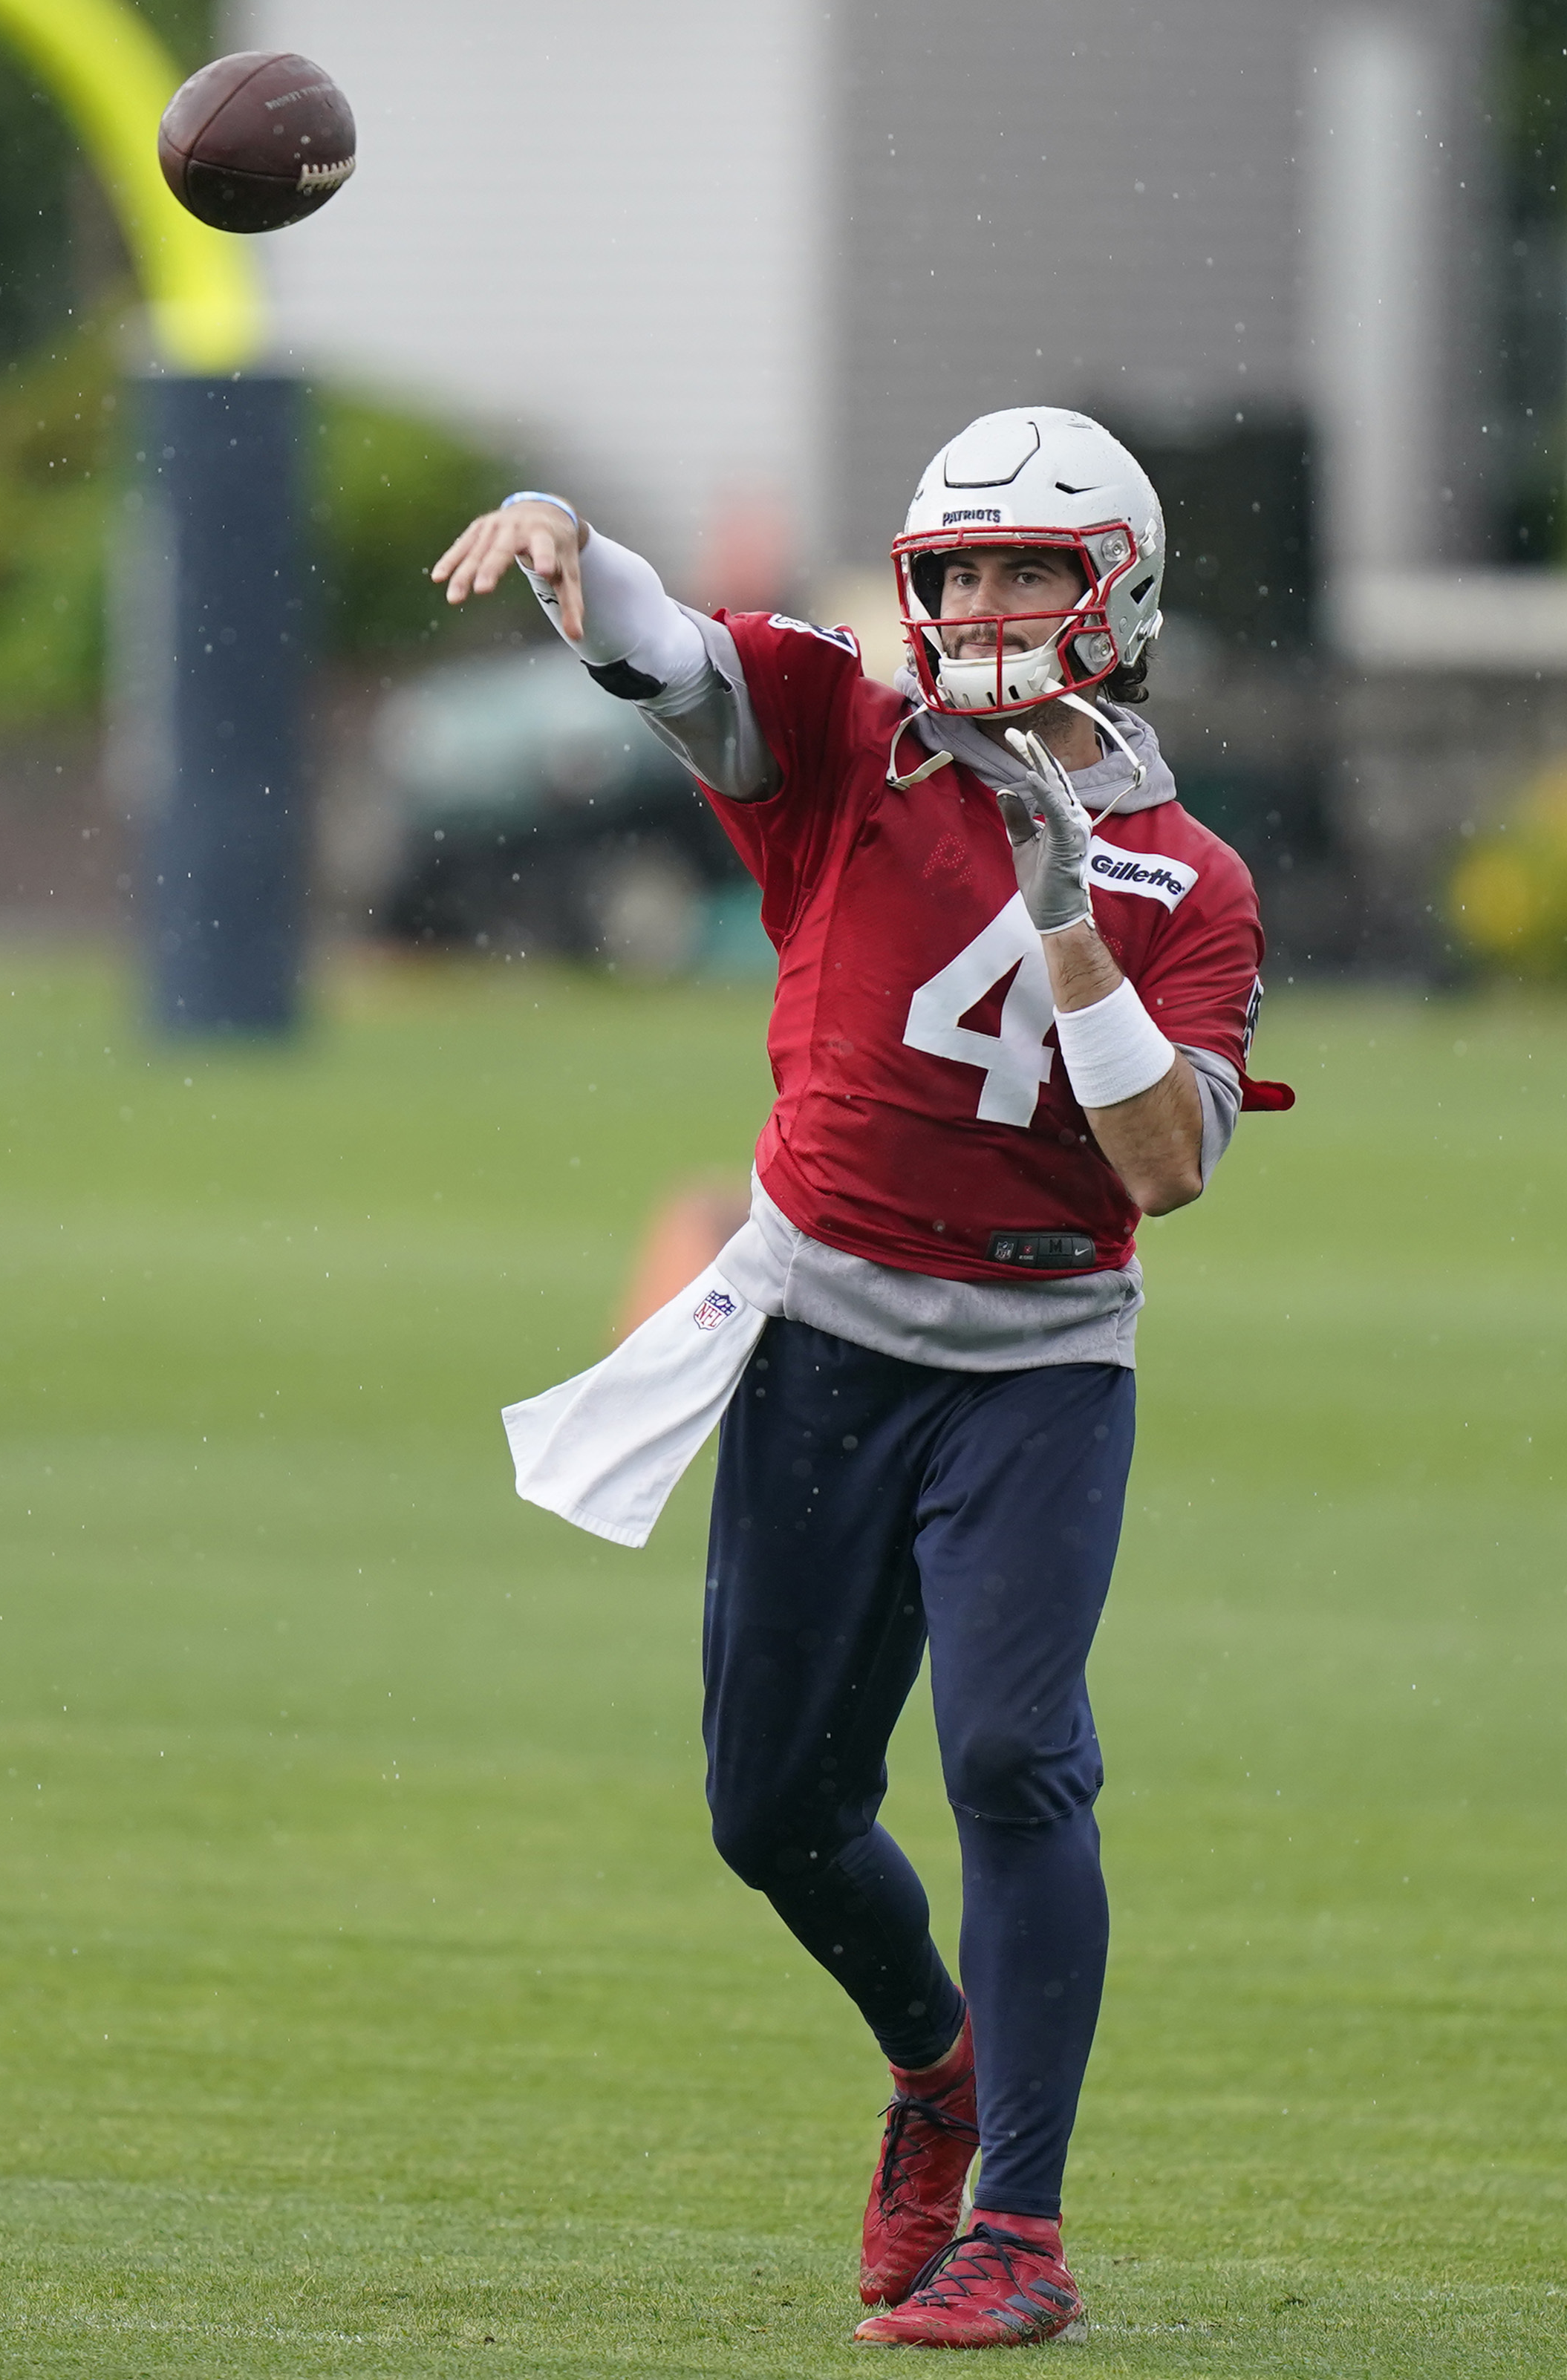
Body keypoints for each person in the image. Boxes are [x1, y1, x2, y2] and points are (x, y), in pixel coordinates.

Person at [438, 407, 1286, 2347]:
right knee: (773, 1808)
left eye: (1026, 572)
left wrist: (1067, 909)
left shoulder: (1192, 877)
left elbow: (1165, 1169)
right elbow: (679, 650)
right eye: (957, 572)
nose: (983, 607)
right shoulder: (846, 737)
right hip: (822, 1337)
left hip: (1039, 1366)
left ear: (1116, 596)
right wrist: (573, 541)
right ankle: (935, 2055)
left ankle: (1024, 2225)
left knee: (1012, 1750)